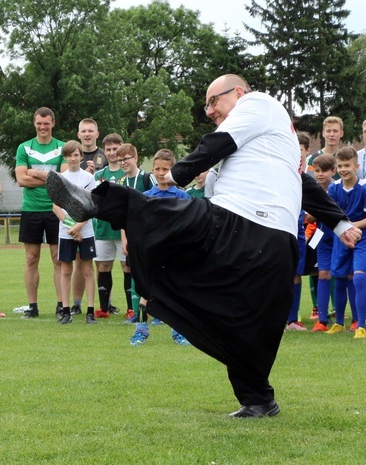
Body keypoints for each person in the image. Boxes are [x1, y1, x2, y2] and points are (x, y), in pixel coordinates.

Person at [46, 74, 361, 418]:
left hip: (240, 223)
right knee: (243, 323)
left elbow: (216, 143)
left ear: (238, 93)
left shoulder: (257, 104)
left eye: (214, 101)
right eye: (207, 105)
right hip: (273, 247)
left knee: (166, 211)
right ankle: (258, 400)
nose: (210, 110)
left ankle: (95, 203)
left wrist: (177, 174)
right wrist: (341, 222)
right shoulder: (274, 145)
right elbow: (301, 183)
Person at [128, 148, 191, 346]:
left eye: (165, 169)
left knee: (176, 293)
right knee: (146, 293)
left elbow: (189, 225)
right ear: (152, 170)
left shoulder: (182, 197)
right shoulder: (146, 196)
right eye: (157, 169)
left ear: (173, 170)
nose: (161, 173)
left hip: (175, 253)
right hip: (152, 253)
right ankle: (140, 331)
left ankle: (179, 332)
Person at [15, 107, 67, 319]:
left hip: (55, 210)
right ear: (34, 123)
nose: (43, 127)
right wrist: (49, 177)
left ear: (53, 123)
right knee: (31, 258)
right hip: (31, 210)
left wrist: (34, 173)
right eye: (39, 123)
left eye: (46, 123)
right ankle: (33, 306)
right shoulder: (24, 148)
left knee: (57, 259)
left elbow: (63, 181)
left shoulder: (62, 147)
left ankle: (60, 305)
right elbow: (20, 180)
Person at [52, 141, 97, 324]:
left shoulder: (88, 178)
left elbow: (92, 205)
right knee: (66, 270)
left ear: (81, 156)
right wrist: (72, 227)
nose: (73, 158)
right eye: (70, 155)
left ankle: (90, 312)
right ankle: (65, 311)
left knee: (87, 270)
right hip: (66, 232)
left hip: (85, 230)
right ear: (65, 157)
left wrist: (79, 227)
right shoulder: (60, 178)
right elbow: (56, 207)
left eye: (76, 155)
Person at [326, 147, 366, 338]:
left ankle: (361, 325)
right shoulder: (333, 188)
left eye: (347, 165)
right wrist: (344, 230)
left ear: (356, 166)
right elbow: (329, 215)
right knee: (339, 278)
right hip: (341, 239)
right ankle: (339, 323)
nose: (343, 169)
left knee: (359, 278)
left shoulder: (364, 187)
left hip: (362, 238)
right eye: (340, 165)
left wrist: (351, 227)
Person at [70, 118, 109, 315]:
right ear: (78, 134)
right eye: (83, 131)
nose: (87, 134)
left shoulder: (105, 155)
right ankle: (76, 303)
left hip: (100, 217)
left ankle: (104, 303)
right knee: (79, 262)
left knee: (102, 263)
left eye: (90, 131)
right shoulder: (72, 155)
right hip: (79, 218)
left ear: (97, 133)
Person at [117, 143, 157, 323]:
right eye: (119, 160)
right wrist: (124, 238)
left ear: (135, 158)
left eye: (126, 158)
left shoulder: (149, 178)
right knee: (135, 273)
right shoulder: (121, 183)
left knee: (155, 273)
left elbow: (158, 204)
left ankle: (158, 313)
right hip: (133, 235)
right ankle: (135, 312)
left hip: (151, 233)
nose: (123, 162)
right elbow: (122, 214)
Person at [93, 133, 126, 318]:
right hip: (103, 229)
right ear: (104, 152)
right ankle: (104, 308)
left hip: (123, 231)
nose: (112, 153)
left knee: (127, 267)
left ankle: (131, 307)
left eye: (115, 149)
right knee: (103, 267)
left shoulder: (127, 173)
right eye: (109, 149)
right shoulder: (99, 175)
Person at [309, 154, 337, 332]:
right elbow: (309, 216)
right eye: (317, 171)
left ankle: (355, 319)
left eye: (324, 171)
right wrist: (319, 210)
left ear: (333, 171)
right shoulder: (312, 190)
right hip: (322, 238)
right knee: (323, 275)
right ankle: (322, 320)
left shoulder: (338, 188)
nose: (320, 174)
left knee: (348, 277)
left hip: (339, 237)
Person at [286, 132, 310, 331]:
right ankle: (277, 319)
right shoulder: (282, 170)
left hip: (299, 228)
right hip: (281, 227)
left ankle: (293, 320)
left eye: (300, 150)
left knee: (296, 273)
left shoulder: (308, 176)